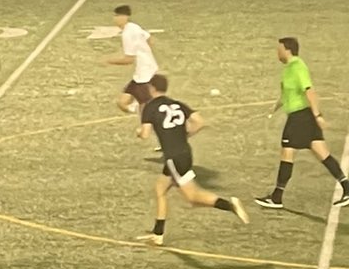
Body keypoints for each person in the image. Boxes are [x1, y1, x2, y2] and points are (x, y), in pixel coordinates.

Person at [137, 77, 248, 244]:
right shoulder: (177, 104)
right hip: (185, 153)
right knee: (176, 192)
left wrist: (139, 131)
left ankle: (158, 235)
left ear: (152, 88)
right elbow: (199, 122)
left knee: (177, 194)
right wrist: (184, 135)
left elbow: (145, 134)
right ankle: (158, 233)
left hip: (173, 157)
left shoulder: (150, 107)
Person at [256, 37, 349, 210]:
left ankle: (277, 197)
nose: (277, 52)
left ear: (288, 50)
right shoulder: (287, 70)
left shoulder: (298, 67)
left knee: (287, 153)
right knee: (323, 153)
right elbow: (286, 95)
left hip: (300, 117)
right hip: (301, 117)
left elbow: (310, 91)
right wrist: (274, 108)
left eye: (279, 49)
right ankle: (347, 187)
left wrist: (318, 115)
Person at [104, 4, 160, 118]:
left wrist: (109, 61)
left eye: (117, 16)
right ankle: (145, 113)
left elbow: (129, 59)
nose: (114, 19)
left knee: (128, 104)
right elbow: (150, 39)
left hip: (144, 76)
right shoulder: (134, 26)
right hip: (145, 71)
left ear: (124, 17)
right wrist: (144, 53)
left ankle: (151, 118)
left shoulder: (127, 34)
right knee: (123, 103)